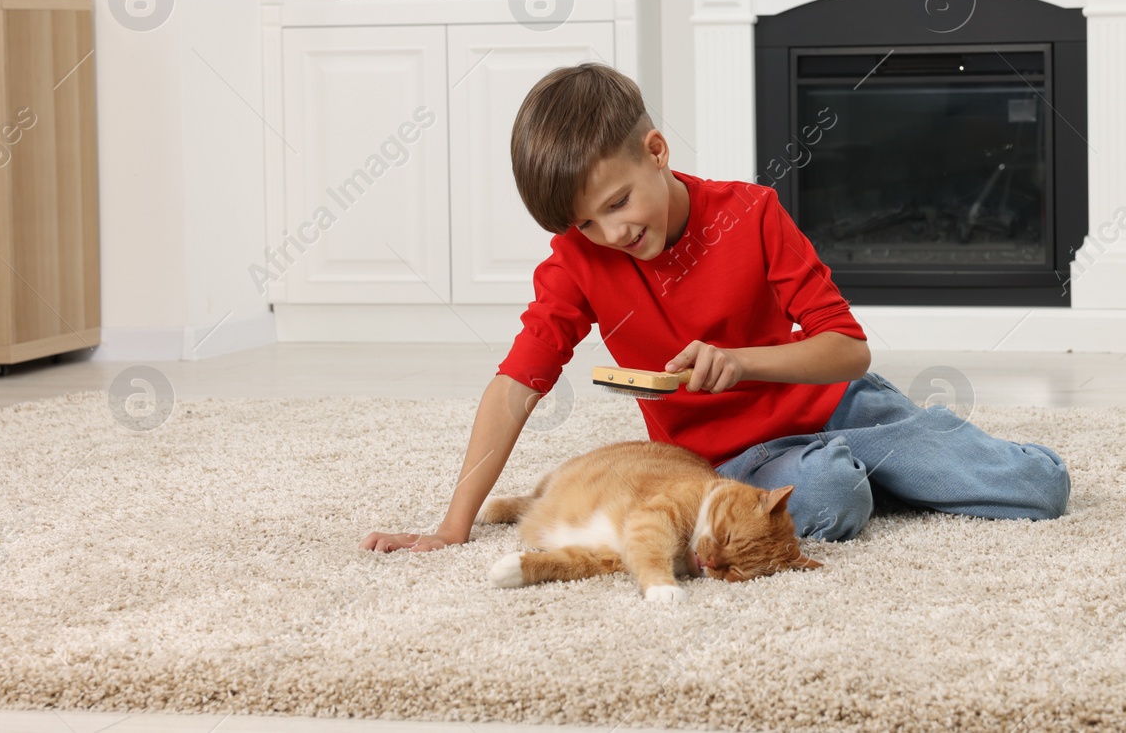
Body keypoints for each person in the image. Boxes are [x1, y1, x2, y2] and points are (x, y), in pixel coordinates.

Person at [359, 63, 1069, 553]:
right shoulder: (581, 262)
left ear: (657, 150)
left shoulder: (751, 212)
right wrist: (453, 524)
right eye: (587, 224)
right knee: (828, 501)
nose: (613, 235)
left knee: (1039, 488)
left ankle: (905, 446)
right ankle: (866, 471)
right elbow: (516, 386)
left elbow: (849, 348)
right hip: (730, 458)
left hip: (835, 406)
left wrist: (742, 361)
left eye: (617, 203)